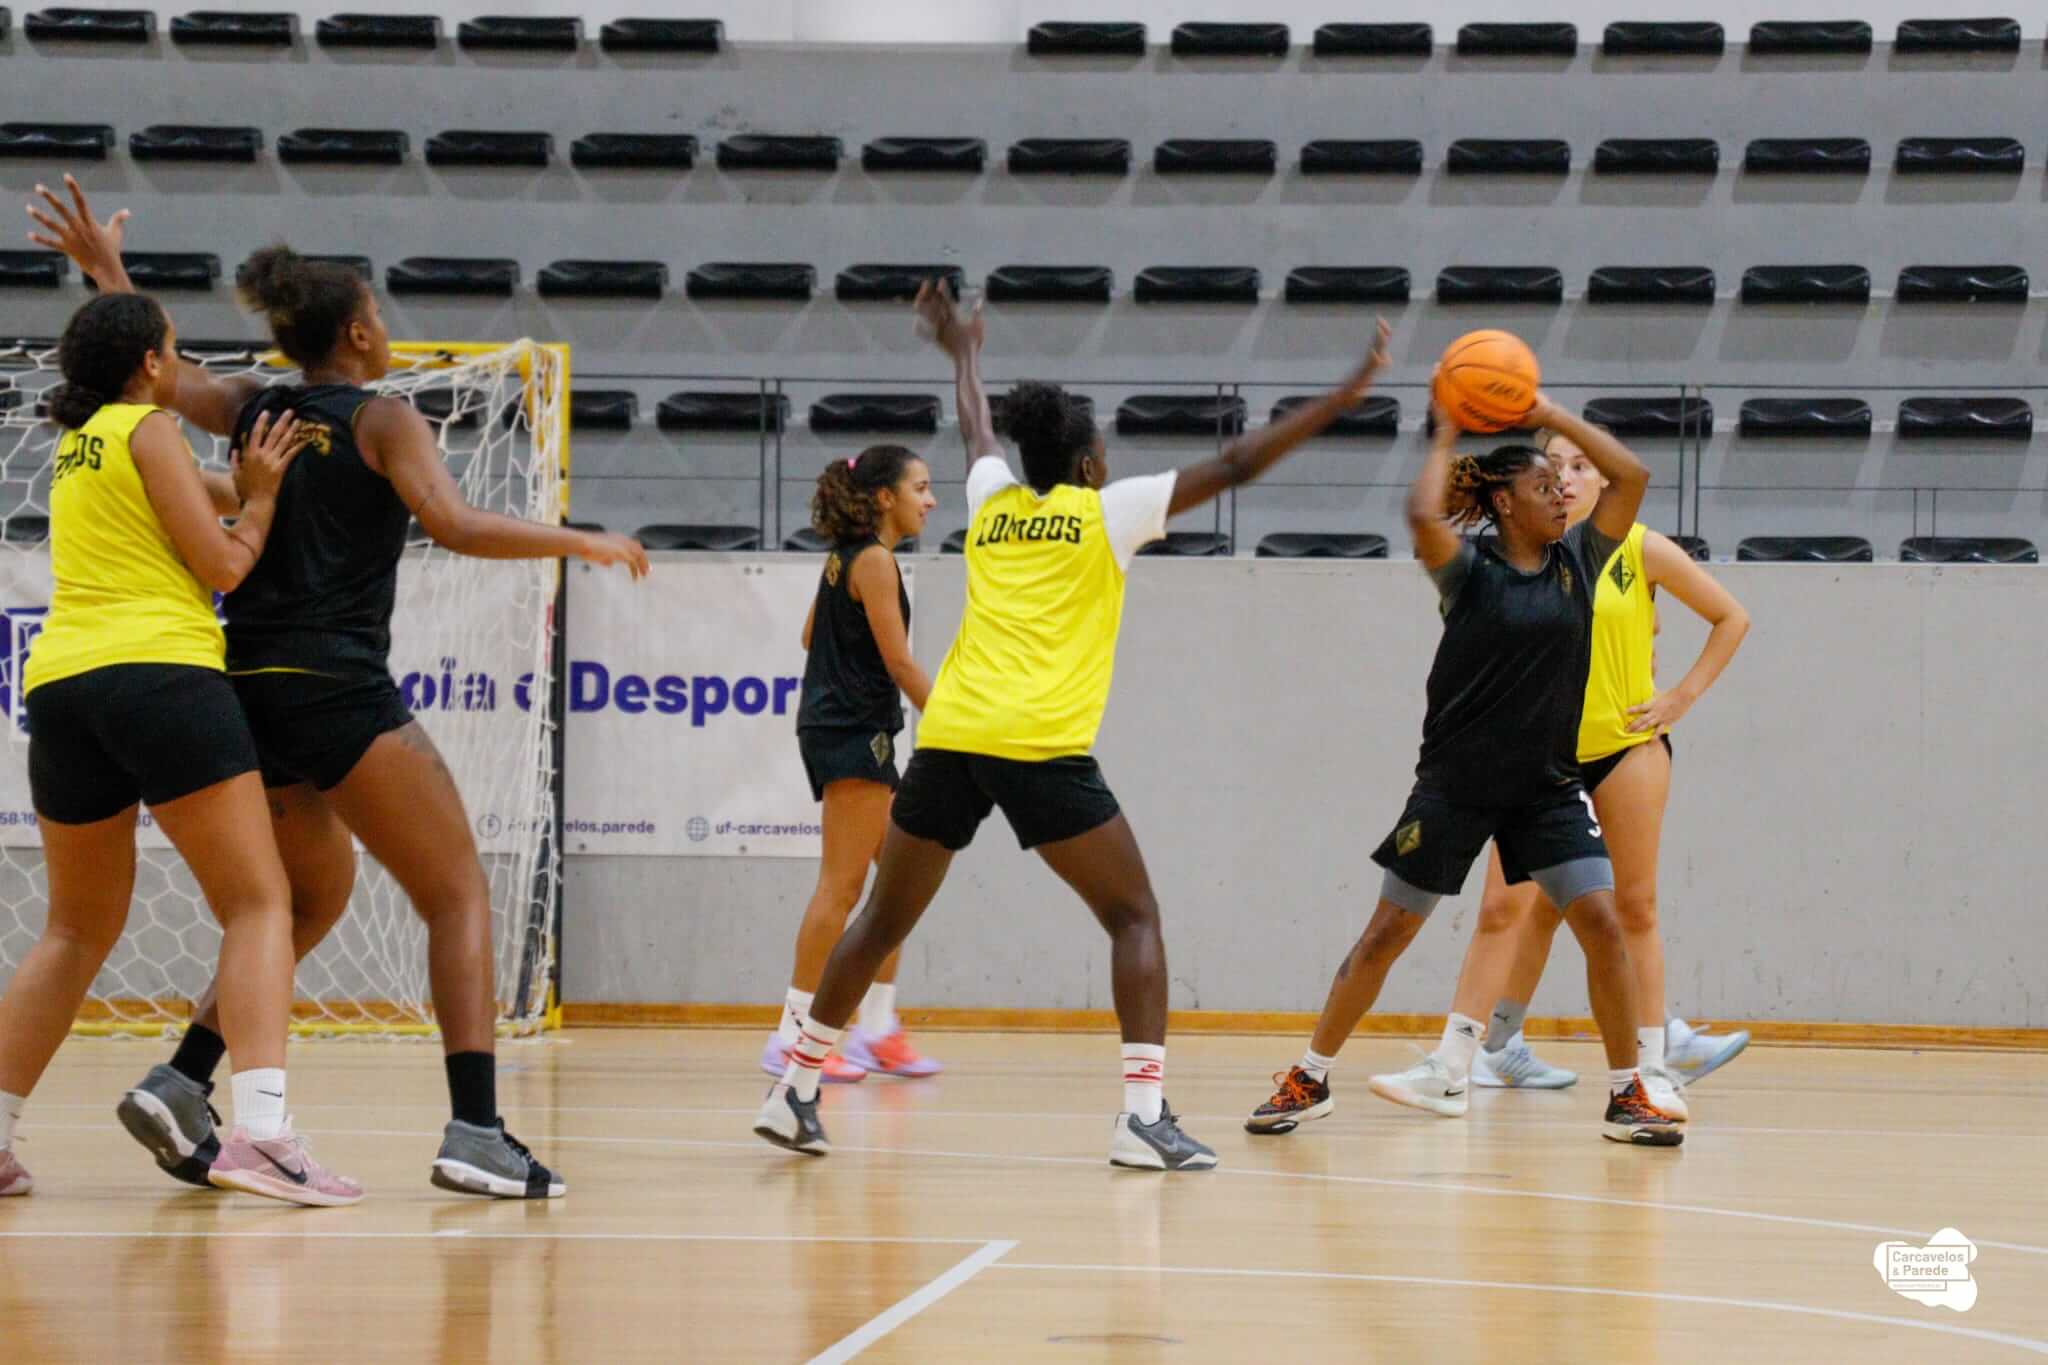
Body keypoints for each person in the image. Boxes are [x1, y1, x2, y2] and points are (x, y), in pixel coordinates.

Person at [28, 177, 648, 1200]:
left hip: (246, 688)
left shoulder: (248, 405)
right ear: (359, 332)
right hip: (335, 685)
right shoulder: (384, 419)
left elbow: (157, 371)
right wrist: (574, 538)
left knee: (305, 897)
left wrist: (109, 276)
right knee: (456, 892)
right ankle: (476, 1131)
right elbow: (453, 524)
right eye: (382, 319)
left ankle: (183, 1079)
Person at [754, 284, 1392, 1169]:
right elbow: (1238, 462)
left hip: (952, 737)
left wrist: (963, 352)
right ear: (1091, 465)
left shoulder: (994, 501)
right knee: (1135, 916)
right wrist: (1343, 396)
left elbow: (976, 425)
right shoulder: (1108, 512)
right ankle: (1142, 1117)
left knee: (878, 920)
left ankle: (794, 1088)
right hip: (1039, 744)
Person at [1245, 394, 1684, 1146]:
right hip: (1455, 788)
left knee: (1604, 925)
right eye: (1544, 486)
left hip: (1547, 789)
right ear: (1505, 504)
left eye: (1563, 484)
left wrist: (1552, 412)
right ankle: (1309, 1077)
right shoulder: (1468, 571)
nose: (1563, 494)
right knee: (1385, 934)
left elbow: (1632, 475)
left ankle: (1626, 1095)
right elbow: (1423, 515)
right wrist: (1446, 431)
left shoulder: (1582, 559)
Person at [0, 288, 360, 1204]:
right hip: (160, 677)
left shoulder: (81, 443)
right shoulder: (151, 428)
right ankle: (264, 1137)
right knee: (260, 901)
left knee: (73, 929)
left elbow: (212, 495)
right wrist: (266, 498)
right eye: (172, 345)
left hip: (62, 689)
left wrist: (265, 482)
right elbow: (226, 562)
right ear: (152, 364)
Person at [1453, 429, 1752, 1112]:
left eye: (1581, 466)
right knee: (1518, 907)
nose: (1566, 477)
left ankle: (1653, 1059)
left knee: (1631, 906)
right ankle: (1491, 1046)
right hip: (1543, 758)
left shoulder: (1639, 547)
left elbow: (1731, 617)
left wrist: (1679, 696)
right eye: (1553, 466)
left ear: (1603, 480)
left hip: (1625, 749)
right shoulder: (1529, 555)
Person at [762, 445, 944, 1084]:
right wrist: (957, 722)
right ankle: (792, 1037)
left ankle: (876, 1030)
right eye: (921, 488)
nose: (931, 500)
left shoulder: (847, 557)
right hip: (850, 734)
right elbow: (900, 663)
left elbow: (810, 634)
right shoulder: (873, 561)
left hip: (855, 730)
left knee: (898, 882)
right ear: (885, 498)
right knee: (841, 889)